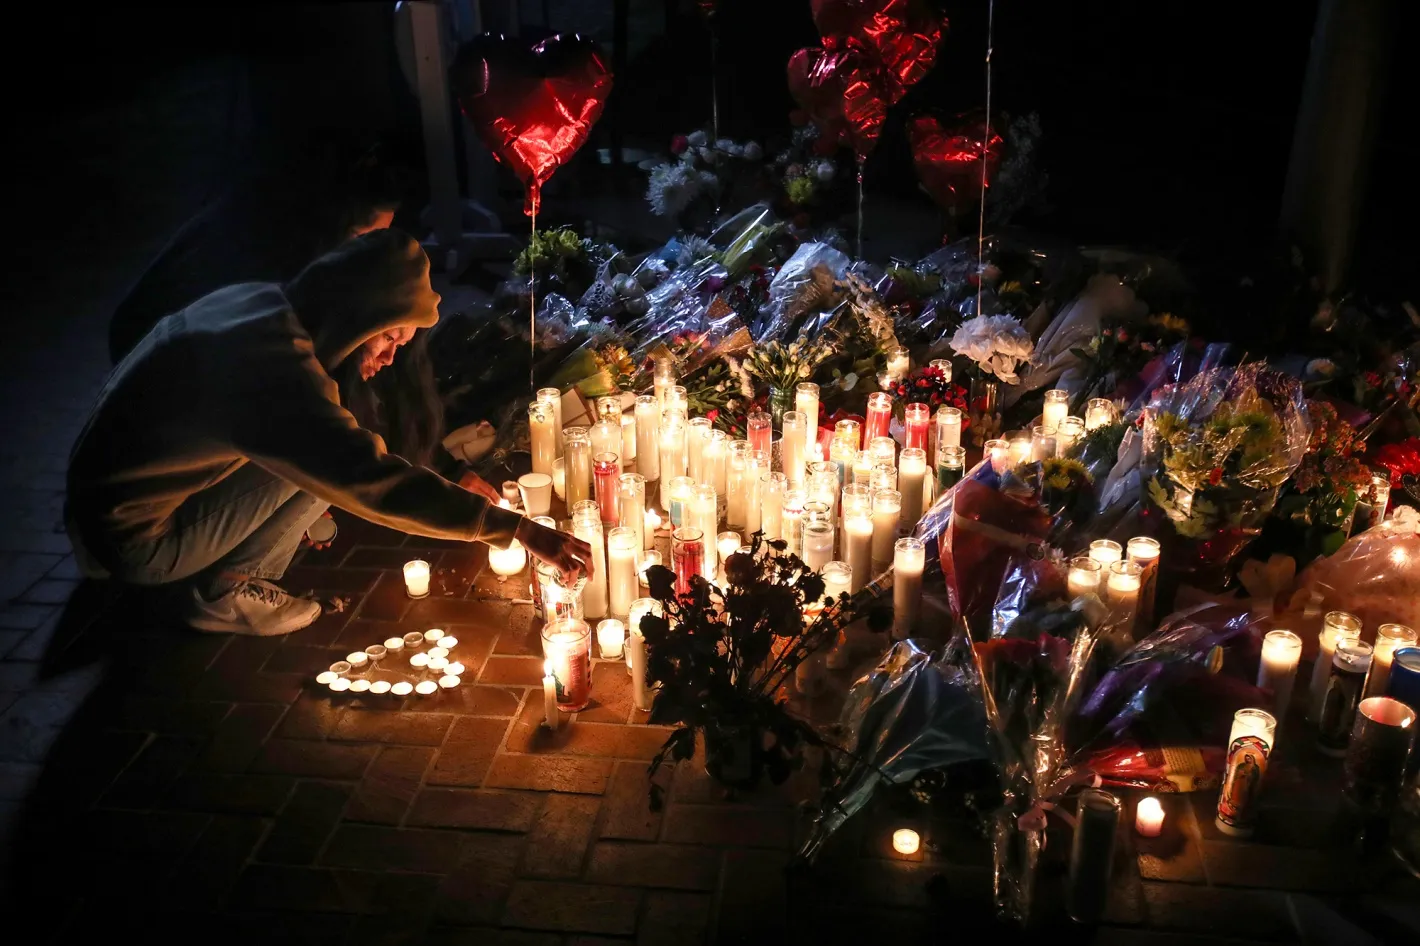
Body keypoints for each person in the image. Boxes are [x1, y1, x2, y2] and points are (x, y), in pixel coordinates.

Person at [67, 229, 590, 636]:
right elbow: (371, 482)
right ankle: (226, 592)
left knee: (320, 455)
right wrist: (514, 529)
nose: (388, 359)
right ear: (357, 314)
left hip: (106, 505)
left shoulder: (263, 305)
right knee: (324, 464)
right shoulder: (275, 374)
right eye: (388, 337)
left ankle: (234, 554)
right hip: (135, 539)